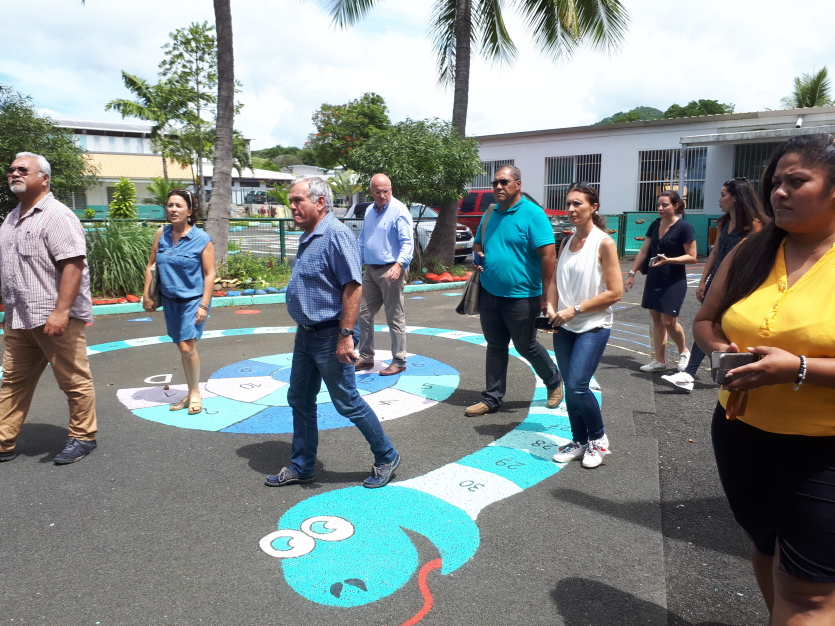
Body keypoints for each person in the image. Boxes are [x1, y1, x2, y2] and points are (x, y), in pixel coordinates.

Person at [693, 133, 835, 624]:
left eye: (797, 181)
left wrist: (797, 369)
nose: (779, 192)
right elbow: (705, 321)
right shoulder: (753, 250)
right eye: (775, 182)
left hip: (823, 449)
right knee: (765, 545)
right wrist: (721, 353)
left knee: (809, 593)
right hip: (741, 434)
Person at [265, 176, 400, 488]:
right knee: (299, 398)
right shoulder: (309, 234)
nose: (292, 206)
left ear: (320, 202)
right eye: (291, 201)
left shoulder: (335, 234)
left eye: (298, 200)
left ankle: (386, 455)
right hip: (307, 335)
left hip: (330, 335)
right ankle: (302, 465)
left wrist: (345, 335)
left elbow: (352, 287)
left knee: (346, 401)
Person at [0, 152, 98, 464]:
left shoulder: (57, 215)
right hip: (19, 317)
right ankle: (3, 440)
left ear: (44, 178)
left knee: (73, 380)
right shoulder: (11, 218)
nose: (14, 173)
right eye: (11, 169)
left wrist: (61, 312)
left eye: (22, 169)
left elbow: (73, 265)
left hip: (54, 317)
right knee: (13, 381)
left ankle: (83, 436)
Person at [465, 165, 563, 416]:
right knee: (495, 346)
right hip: (489, 293)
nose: (498, 186)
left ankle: (554, 381)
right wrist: (477, 255)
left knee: (526, 346)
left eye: (504, 182)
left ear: (518, 185)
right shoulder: (490, 213)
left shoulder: (533, 214)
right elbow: (478, 243)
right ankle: (492, 398)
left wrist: (546, 296)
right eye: (495, 183)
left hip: (523, 296)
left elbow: (549, 256)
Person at [544, 183, 623, 468]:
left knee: (578, 386)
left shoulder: (604, 242)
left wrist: (573, 310)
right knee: (570, 386)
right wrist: (551, 307)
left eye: (577, 203)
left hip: (593, 325)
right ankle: (579, 441)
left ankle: (598, 439)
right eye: (568, 204)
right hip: (564, 327)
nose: (571, 209)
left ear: (594, 207)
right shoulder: (566, 242)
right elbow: (555, 281)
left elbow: (615, 292)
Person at [662, 178, 766, 391]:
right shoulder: (724, 223)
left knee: (725, 326)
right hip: (716, 283)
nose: (719, 199)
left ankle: (712, 372)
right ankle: (694, 374)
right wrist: (703, 281)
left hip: (738, 285)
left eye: (723, 195)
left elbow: (759, 259)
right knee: (709, 325)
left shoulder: (754, 225)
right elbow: (716, 253)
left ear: (736, 198)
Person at [143, 190, 215, 415]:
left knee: (186, 346)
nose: (173, 209)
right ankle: (191, 390)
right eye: (170, 205)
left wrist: (204, 305)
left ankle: (195, 392)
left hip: (193, 300)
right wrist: (147, 295)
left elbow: (209, 274)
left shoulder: (202, 239)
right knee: (181, 346)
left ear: (190, 211)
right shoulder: (161, 233)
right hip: (170, 301)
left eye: (179, 205)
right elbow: (151, 265)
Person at [624, 191, 697, 373]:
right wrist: (632, 273)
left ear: (676, 206)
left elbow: (692, 257)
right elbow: (644, 250)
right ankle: (659, 361)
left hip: (674, 280)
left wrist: (669, 260)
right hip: (654, 277)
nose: (660, 208)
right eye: (658, 205)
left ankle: (684, 352)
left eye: (665, 205)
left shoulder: (684, 227)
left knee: (669, 322)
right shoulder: (655, 224)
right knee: (656, 320)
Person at [355, 173, 414, 376]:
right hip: (371, 270)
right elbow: (363, 239)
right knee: (363, 313)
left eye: (386, 191)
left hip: (392, 269)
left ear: (391, 190)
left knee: (394, 317)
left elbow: (408, 243)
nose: (382, 196)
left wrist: (399, 265)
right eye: (378, 192)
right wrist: (356, 264)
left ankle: (399, 360)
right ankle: (366, 357)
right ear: (371, 192)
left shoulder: (399, 210)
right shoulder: (370, 210)